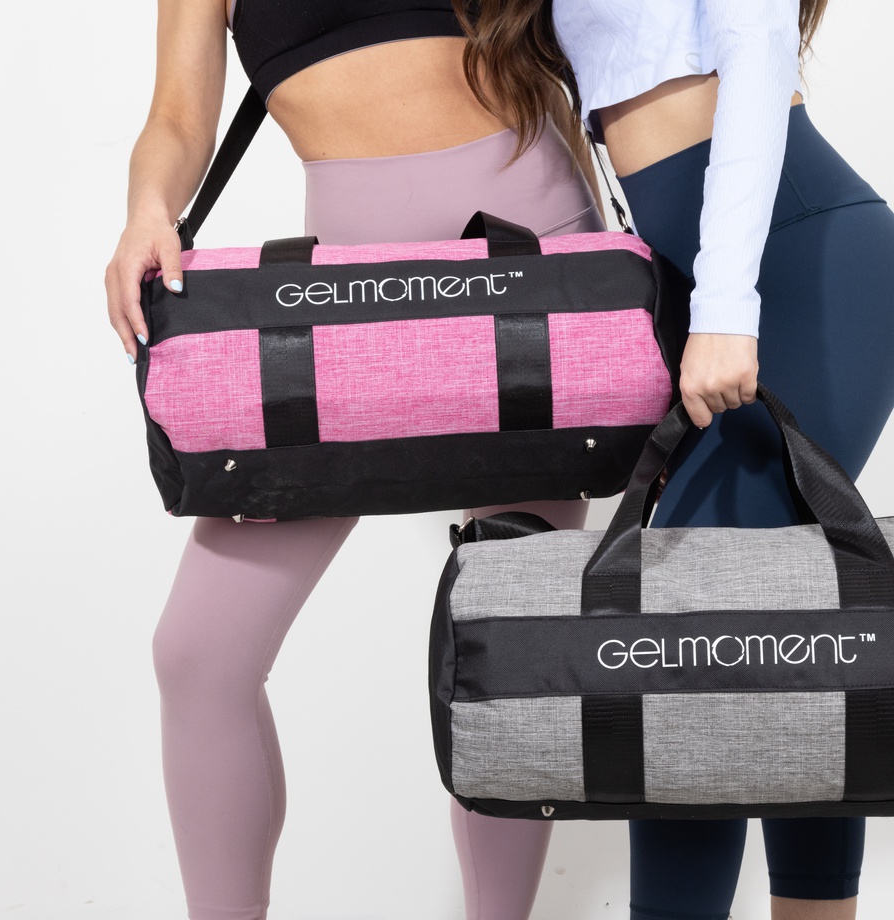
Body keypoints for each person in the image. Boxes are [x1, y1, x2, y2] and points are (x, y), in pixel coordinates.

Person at [104, 2, 606, 918]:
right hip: (335, 300)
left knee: (510, 645)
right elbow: (178, 116)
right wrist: (148, 209)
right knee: (199, 656)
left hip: (532, 248)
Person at [454, 1, 894, 919]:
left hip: (798, 261)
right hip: (713, 278)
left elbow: (758, 52)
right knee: (794, 623)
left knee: (681, 641)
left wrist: (727, 309)